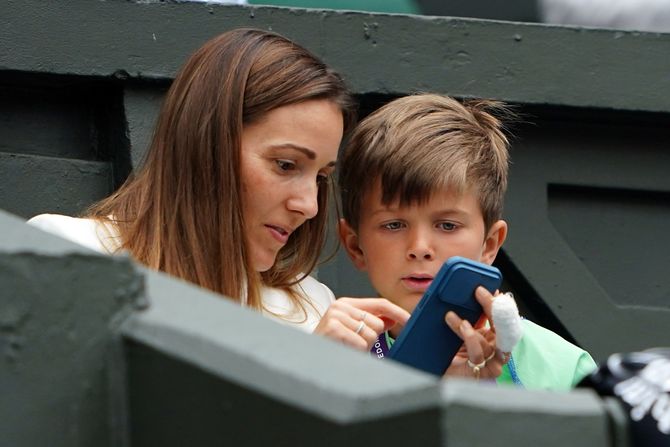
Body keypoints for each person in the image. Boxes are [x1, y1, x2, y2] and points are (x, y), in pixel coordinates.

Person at [27, 28, 409, 347]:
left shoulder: (313, 306)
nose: (309, 205)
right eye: (286, 165)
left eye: (321, 177)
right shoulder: (69, 254)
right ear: (207, 144)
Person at [337, 93, 597, 389]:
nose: (420, 247)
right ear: (355, 246)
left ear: (490, 244)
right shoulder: (331, 358)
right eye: (393, 224)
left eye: (447, 225)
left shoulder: (565, 369)